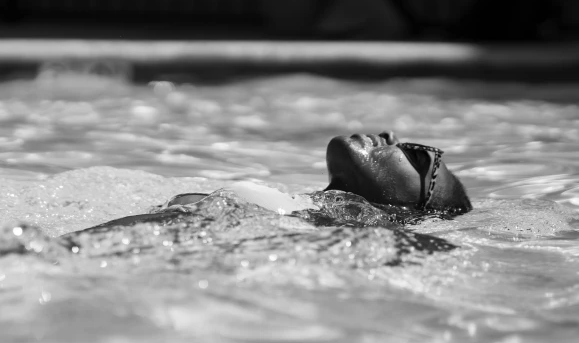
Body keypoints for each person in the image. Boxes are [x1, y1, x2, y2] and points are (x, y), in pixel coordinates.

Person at [84, 131, 472, 230]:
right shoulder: (307, 209)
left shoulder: (339, 227)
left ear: (415, 206)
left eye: (419, 156)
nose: (390, 137)